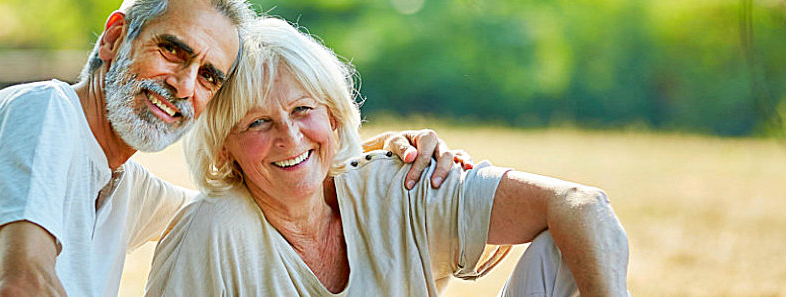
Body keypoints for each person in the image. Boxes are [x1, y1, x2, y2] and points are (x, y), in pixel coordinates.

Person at [0, 0, 470, 296]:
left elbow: (256, 201)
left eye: (209, 76)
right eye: (173, 50)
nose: (183, 85)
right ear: (115, 39)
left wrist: (357, 154)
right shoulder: (44, 113)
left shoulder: (122, 185)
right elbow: (23, 283)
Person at [145, 18, 632, 296]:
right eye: (257, 123)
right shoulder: (213, 232)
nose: (289, 138)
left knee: (563, 247)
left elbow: (582, 205)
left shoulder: (398, 183)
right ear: (224, 149)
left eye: (302, 110)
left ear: (333, 117)